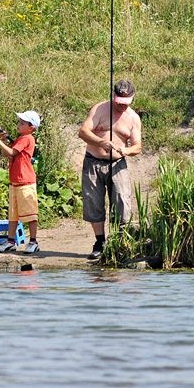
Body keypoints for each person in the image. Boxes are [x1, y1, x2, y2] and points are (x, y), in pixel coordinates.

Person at [77, 80, 142, 260]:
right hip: (93, 162)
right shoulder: (100, 109)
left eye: (125, 104)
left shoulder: (133, 118)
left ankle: (121, 241)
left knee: (122, 200)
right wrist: (101, 142)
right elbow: (82, 132)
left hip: (117, 164)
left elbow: (137, 146)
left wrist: (125, 150)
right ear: (113, 97)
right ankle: (100, 242)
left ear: (131, 99)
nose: (121, 107)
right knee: (93, 202)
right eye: (118, 102)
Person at [0, 110, 42, 254]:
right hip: (15, 182)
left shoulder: (27, 138)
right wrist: (3, 141)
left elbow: (12, 152)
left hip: (25, 182)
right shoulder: (20, 139)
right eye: (19, 122)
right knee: (13, 215)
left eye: (22, 123)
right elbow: (6, 154)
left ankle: (33, 242)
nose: (18, 125)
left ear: (31, 127)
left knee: (31, 214)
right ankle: (10, 241)